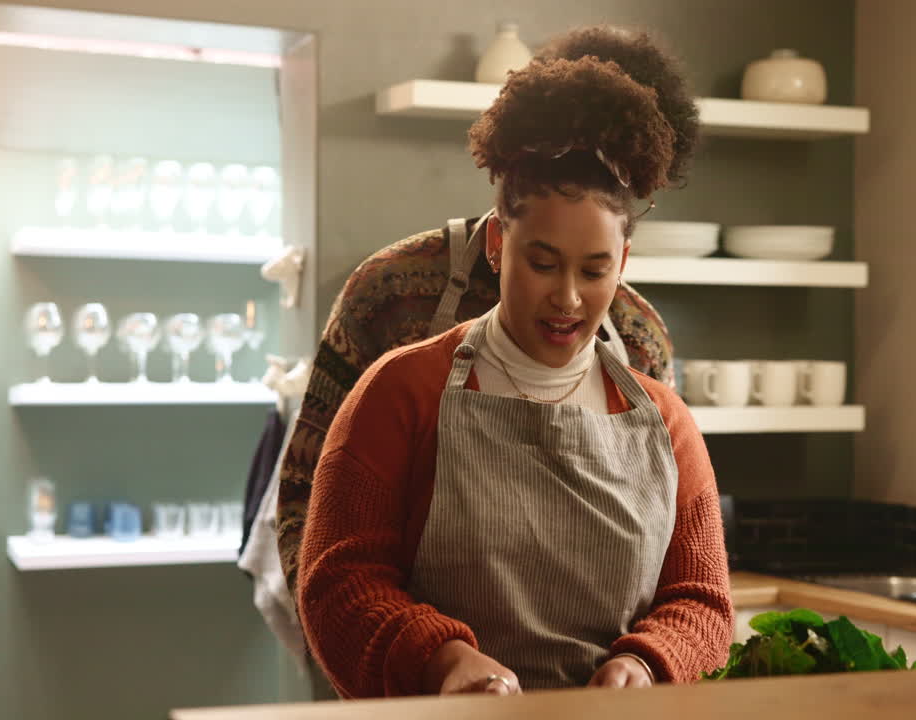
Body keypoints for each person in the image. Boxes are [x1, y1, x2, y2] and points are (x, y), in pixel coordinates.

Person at [294, 26, 733, 698]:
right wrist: (441, 660)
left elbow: (700, 601)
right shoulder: (400, 390)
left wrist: (647, 663)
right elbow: (337, 578)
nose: (566, 297)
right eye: (543, 262)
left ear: (625, 265)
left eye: (595, 270)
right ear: (498, 242)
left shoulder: (663, 419)